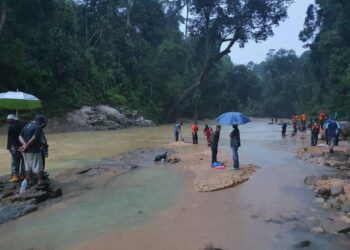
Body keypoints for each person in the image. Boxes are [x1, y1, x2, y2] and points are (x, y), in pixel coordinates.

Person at [19, 115, 47, 187]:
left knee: (28, 166)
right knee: (38, 166)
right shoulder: (38, 127)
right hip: (34, 150)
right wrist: (26, 145)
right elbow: (34, 138)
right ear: (41, 121)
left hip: (25, 151)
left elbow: (20, 136)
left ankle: (30, 181)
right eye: (44, 122)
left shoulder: (26, 126)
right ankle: (40, 181)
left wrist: (24, 145)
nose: (44, 124)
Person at [6, 114, 26, 182]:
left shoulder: (11, 127)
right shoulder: (24, 124)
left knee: (15, 161)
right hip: (24, 146)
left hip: (15, 146)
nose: (7, 121)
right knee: (24, 161)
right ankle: (23, 174)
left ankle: (15, 176)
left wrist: (9, 147)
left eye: (8, 120)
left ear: (12, 119)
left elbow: (10, 138)